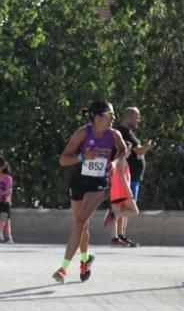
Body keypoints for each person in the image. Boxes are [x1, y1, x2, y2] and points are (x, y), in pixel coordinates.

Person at [53, 101, 128, 284]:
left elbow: (123, 149)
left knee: (79, 222)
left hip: (99, 184)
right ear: (96, 117)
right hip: (79, 180)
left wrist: (114, 163)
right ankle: (85, 260)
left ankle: (63, 269)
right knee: (82, 226)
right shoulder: (82, 133)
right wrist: (81, 157)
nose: (113, 119)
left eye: (114, 115)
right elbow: (63, 160)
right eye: (109, 115)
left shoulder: (114, 135)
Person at [110, 106, 155, 247]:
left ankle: (121, 235)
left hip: (131, 176)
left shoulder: (128, 133)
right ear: (129, 116)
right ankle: (116, 235)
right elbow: (138, 150)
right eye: (137, 116)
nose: (139, 120)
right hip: (125, 178)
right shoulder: (123, 133)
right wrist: (148, 146)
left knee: (126, 207)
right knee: (127, 207)